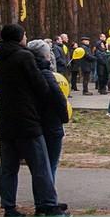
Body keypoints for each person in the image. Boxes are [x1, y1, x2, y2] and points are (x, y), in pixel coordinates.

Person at [0, 23, 68, 217]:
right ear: (19, 37)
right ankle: (49, 205)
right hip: (27, 121)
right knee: (40, 166)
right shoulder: (24, 57)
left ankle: (9, 208)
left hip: (6, 121)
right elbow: (40, 86)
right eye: (24, 35)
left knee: (8, 168)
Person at [28, 40, 69, 182]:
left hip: (34, 122)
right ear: (45, 55)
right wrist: (64, 117)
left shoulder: (27, 73)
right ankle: (48, 193)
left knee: (40, 165)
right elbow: (59, 98)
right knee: (50, 164)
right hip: (51, 123)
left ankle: (43, 192)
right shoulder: (46, 73)